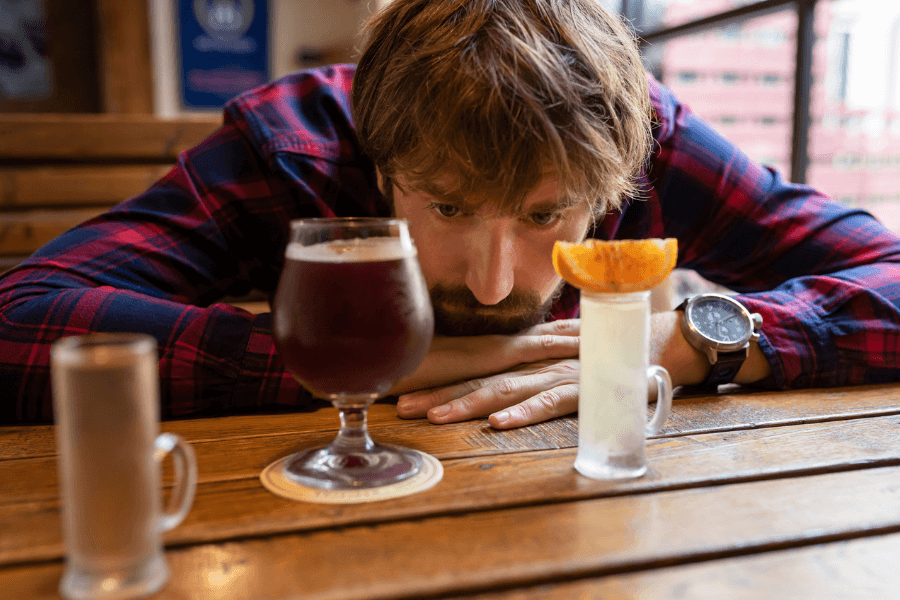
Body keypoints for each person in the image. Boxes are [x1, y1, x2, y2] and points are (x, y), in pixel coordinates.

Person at [1, 0, 899, 426]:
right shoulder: (295, 144)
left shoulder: (641, 134)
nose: (496, 280)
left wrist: (694, 345)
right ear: (377, 157)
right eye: (449, 204)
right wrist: (359, 361)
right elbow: (16, 319)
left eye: (550, 215)